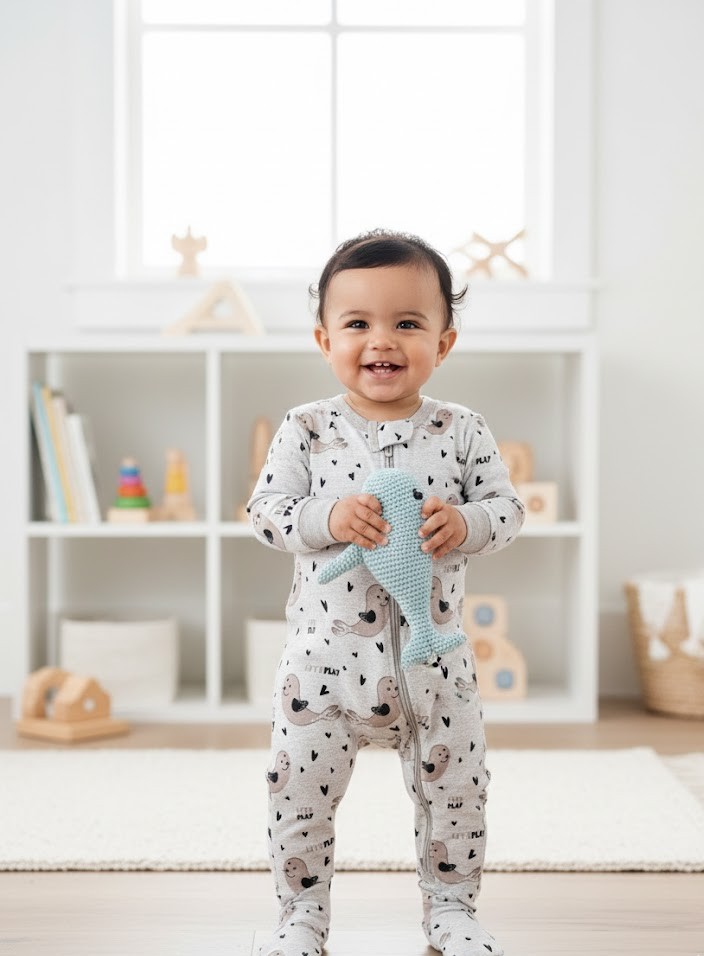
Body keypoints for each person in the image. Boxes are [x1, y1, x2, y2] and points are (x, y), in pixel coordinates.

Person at [247, 228, 525, 956]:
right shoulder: (307, 429)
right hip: (324, 669)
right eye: (357, 323)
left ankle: (452, 910)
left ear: (444, 342)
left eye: (407, 322)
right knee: (297, 796)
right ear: (324, 339)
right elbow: (266, 513)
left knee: (458, 795)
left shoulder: (463, 430)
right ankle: (300, 916)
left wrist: (465, 523)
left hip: (436, 667)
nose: (382, 341)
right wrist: (327, 519)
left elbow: (508, 510)